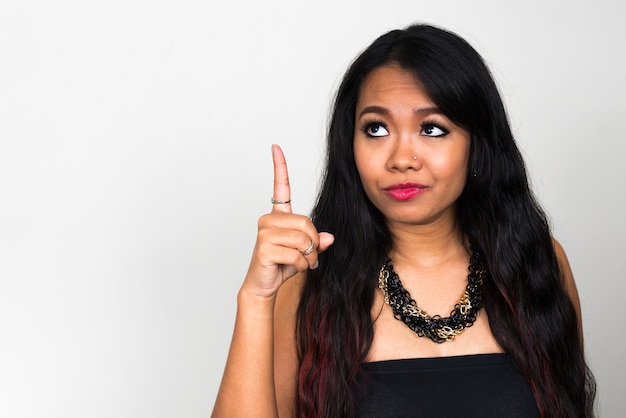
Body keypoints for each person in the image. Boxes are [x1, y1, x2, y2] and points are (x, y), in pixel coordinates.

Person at [211, 24, 596, 417]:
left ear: (476, 144)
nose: (401, 158)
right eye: (376, 129)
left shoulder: (538, 264)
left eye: (431, 129)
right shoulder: (310, 282)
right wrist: (256, 300)